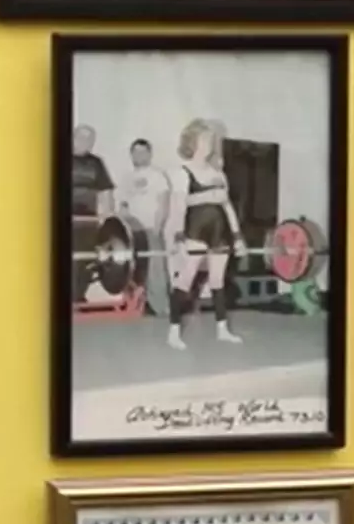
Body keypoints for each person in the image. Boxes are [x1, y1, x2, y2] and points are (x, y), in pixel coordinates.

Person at [165, 118, 246, 350]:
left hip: (219, 230)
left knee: (218, 281)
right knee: (186, 279)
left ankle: (222, 330)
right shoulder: (182, 172)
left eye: (211, 139)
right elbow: (179, 205)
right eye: (204, 139)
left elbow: (227, 206)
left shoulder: (219, 173)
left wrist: (237, 236)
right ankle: (173, 332)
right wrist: (179, 237)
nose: (209, 143)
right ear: (193, 141)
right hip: (195, 229)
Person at [115, 138, 171, 316]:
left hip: (150, 228)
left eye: (143, 152)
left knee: (155, 270)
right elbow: (123, 205)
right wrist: (122, 228)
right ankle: (139, 307)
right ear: (131, 155)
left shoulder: (157, 175)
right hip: (132, 232)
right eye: (135, 152)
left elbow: (163, 203)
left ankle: (162, 308)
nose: (139, 155)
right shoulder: (127, 178)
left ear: (149, 154)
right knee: (132, 270)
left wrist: (157, 227)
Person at [69, 124, 114, 219]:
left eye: (89, 139)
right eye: (82, 138)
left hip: (88, 216)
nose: (86, 142)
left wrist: (107, 214)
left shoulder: (96, 162)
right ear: (73, 138)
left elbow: (106, 190)